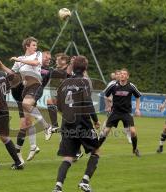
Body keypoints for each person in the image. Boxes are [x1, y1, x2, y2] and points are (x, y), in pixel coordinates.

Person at [0, 38, 52, 164]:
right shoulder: (21, 59)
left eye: (36, 44)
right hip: (26, 88)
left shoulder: (37, 55)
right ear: (27, 46)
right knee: (27, 120)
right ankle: (31, 147)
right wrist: (2, 66)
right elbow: (12, 72)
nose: (36, 47)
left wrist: (19, 59)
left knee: (26, 105)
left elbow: (35, 63)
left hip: (35, 85)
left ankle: (46, 126)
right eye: (33, 45)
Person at [52, 56, 100, 192]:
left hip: (67, 122)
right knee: (96, 151)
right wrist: (95, 120)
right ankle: (85, 181)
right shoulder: (84, 82)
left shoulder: (64, 83)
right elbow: (88, 103)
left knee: (68, 157)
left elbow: (59, 106)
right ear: (85, 68)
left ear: (73, 67)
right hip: (82, 122)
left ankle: (58, 187)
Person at [0, 54, 23, 170]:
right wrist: (3, 67)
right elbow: (16, 79)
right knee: (4, 137)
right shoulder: (2, 74)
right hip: (4, 109)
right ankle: (18, 162)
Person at [99, 68, 141, 157]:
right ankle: (95, 149)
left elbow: (138, 97)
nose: (122, 75)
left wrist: (137, 109)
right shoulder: (113, 86)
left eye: (124, 74)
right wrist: (108, 106)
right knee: (105, 131)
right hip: (115, 112)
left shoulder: (131, 86)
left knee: (133, 132)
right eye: (121, 73)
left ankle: (135, 149)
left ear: (127, 76)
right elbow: (106, 95)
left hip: (126, 113)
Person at [103, 70, 132, 143]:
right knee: (108, 121)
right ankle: (102, 135)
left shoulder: (124, 84)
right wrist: (108, 106)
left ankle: (129, 137)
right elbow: (106, 95)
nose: (119, 75)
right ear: (115, 76)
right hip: (113, 107)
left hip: (122, 108)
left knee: (126, 124)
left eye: (120, 74)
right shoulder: (112, 84)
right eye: (118, 74)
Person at [46, 53, 71, 132]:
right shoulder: (56, 70)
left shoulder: (69, 68)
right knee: (50, 101)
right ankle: (55, 126)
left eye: (58, 60)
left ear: (64, 61)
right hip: (61, 95)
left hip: (71, 95)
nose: (56, 61)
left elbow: (66, 74)